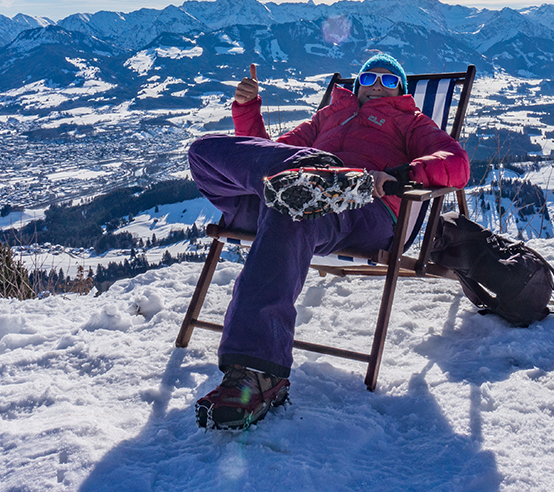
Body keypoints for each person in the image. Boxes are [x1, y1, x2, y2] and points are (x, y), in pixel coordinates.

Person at [187, 53, 470, 430]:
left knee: (294, 207)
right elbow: (265, 156)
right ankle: (319, 178)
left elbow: (456, 162)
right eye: (369, 77)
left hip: (364, 208)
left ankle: (256, 372)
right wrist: (246, 109)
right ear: (356, 85)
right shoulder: (328, 115)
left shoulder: (411, 121)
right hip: (288, 190)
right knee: (205, 150)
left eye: (389, 81)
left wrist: (404, 173)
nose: (377, 85)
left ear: (402, 91)